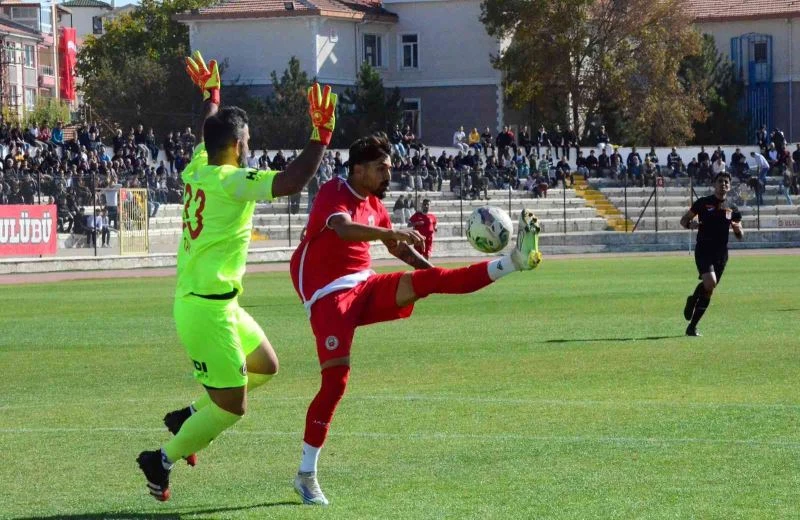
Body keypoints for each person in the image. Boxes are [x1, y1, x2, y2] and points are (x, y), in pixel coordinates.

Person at [288, 132, 543, 506]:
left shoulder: (375, 203)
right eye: (380, 168)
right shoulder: (334, 191)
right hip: (328, 296)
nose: (387, 175)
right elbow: (343, 230)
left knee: (432, 279)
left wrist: (430, 276)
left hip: (364, 286)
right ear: (358, 169)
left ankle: (513, 262)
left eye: (389, 168)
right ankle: (306, 474)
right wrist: (392, 233)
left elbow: (397, 248)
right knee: (336, 381)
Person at [135, 50, 337, 501]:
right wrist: (321, 135)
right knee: (234, 406)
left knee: (265, 365)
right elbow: (290, 181)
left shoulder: (198, 166)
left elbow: (211, 124)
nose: (250, 144)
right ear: (239, 143)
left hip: (216, 302)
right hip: (206, 309)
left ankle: (188, 415)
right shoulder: (232, 178)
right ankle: (161, 459)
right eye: (247, 138)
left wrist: (213, 95)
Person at [680, 171, 743, 337]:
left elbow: (740, 235)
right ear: (714, 184)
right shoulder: (703, 203)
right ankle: (693, 299)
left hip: (721, 254)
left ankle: (692, 326)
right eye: (720, 181)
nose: (723, 184)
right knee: (710, 282)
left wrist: (738, 229)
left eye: (726, 182)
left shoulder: (733, 208)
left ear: (729, 186)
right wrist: (690, 225)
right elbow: (683, 220)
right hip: (704, 250)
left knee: (709, 289)